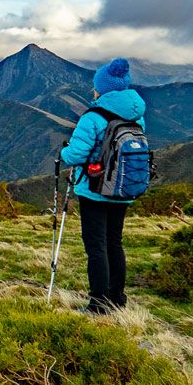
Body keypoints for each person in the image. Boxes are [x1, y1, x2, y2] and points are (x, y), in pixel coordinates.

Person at [60, 57, 145, 314]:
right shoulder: (138, 117)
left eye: (96, 86)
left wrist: (65, 153)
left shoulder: (93, 117)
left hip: (95, 191)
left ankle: (98, 304)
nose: (93, 90)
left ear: (103, 88)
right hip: (124, 188)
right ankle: (117, 298)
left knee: (96, 245)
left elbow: (75, 155)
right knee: (114, 242)